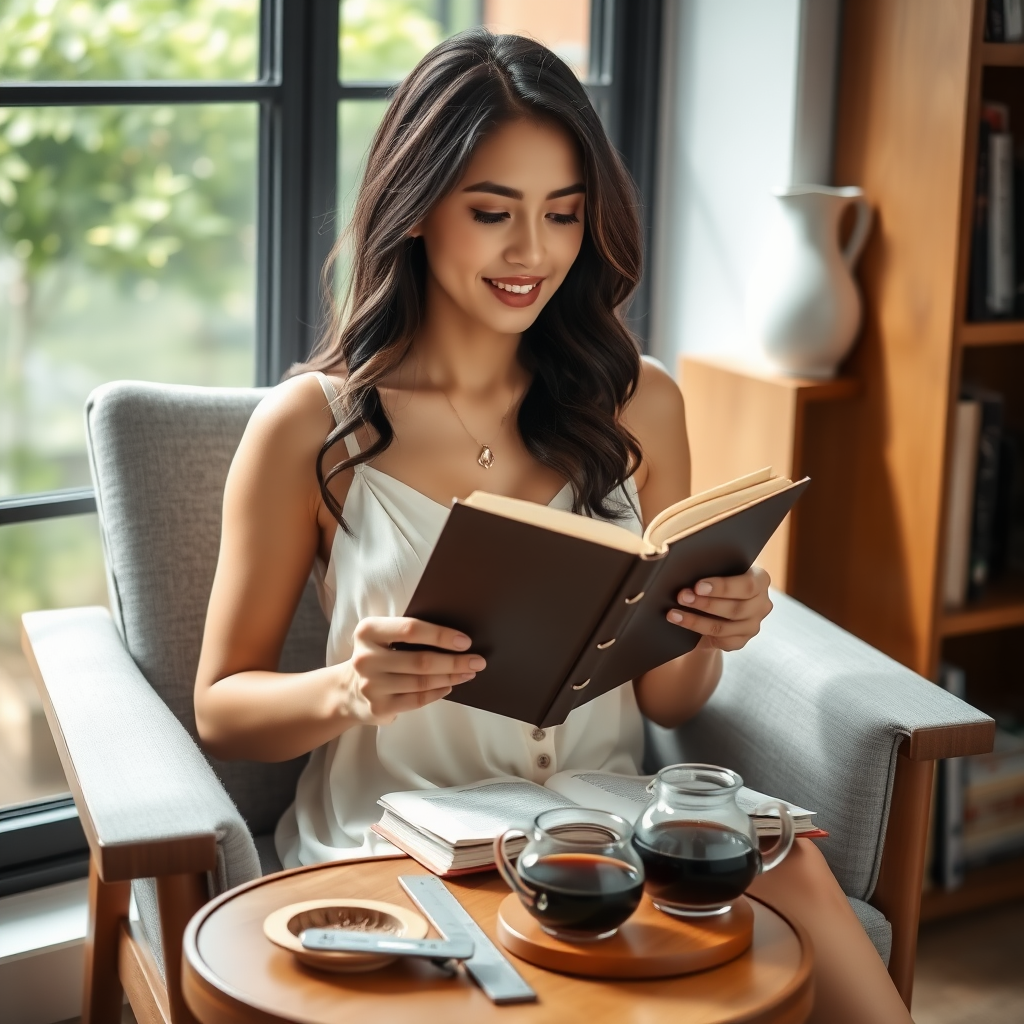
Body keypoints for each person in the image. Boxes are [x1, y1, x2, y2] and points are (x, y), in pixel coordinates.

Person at [193, 30, 912, 1023]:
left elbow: (668, 699)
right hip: (398, 832)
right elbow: (223, 706)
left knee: (817, 921)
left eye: (562, 215)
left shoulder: (639, 402)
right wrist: (350, 687)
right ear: (413, 211)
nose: (531, 252)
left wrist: (707, 630)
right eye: (492, 212)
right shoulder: (313, 427)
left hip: (597, 830)